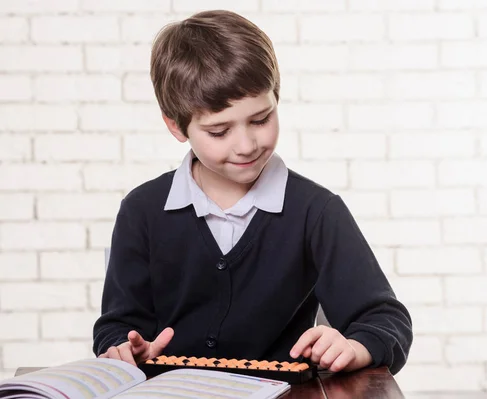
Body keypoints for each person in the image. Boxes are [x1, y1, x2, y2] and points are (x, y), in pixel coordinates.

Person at [92, 9, 413, 375]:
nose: (246, 145)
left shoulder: (316, 211)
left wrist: (355, 347)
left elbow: (386, 319)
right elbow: (115, 326)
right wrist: (124, 349)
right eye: (219, 131)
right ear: (175, 126)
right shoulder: (141, 211)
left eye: (261, 120)